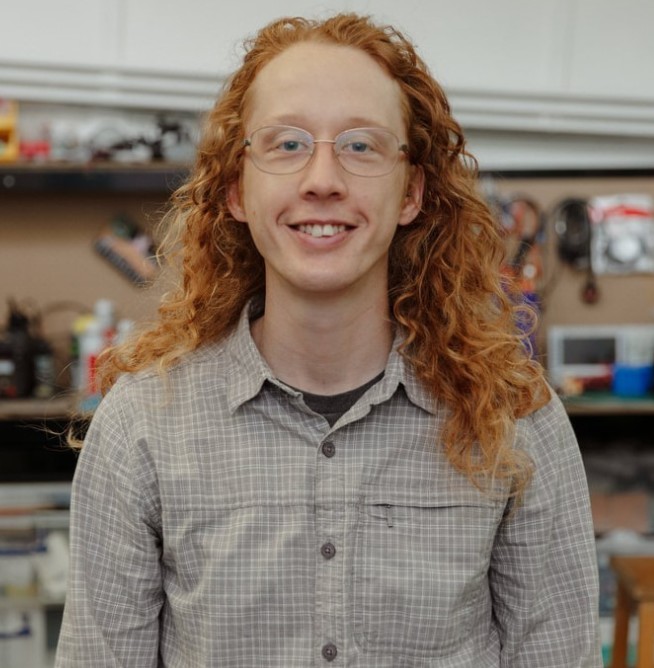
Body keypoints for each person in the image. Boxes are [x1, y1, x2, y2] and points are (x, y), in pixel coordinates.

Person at [55, 12, 602, 667]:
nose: (323, 178)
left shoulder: (514, 419)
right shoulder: (141, 426)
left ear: (412, 192)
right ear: (234, 188)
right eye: (287, 144)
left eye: (362, 145)